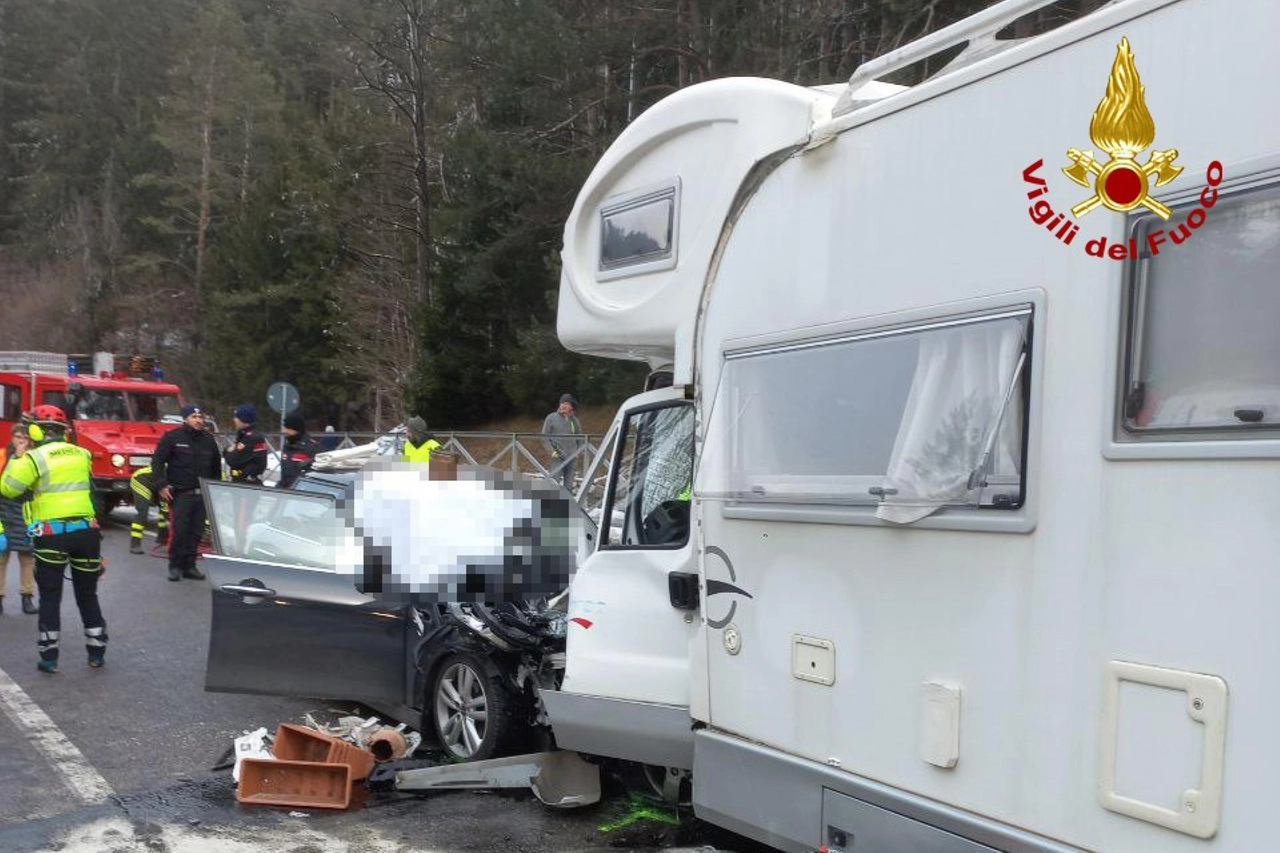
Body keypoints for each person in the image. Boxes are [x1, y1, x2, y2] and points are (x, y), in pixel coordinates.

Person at [0, 406, 106, 672]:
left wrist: (18, 457)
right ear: (64, 431)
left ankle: (49, 659)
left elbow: (8, 489)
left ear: (36, 430)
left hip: (51, 535)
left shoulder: (34, 457)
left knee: (50, 597)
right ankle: (97, 653)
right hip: (87, 533)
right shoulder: (82, 454)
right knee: (88, 595)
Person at [151, 404, 221, 582]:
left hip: (202, 493)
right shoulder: (173, 437)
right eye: (193, 417)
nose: (198, 420)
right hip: (181, 492)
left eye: (200, 417)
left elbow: (216, 468)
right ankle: (175, 566)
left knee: (196, 532)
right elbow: (157, 461)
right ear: (185, 419)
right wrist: (162, 485)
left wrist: (215, 490)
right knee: (180, 530)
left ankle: (190, 566)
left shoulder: (208, 440)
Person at [0, 424, 38, 614]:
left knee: (27, 559)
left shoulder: (34, 458)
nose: (21, 439)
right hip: (2, 513)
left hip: (26, 513)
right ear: (12, 437)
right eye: (18, 435)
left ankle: (27, 598)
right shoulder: (2, 455)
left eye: (25, 436)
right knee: (0, 558)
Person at [541, 393, 584, 492]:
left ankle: (566, 505)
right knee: (554, 484)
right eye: (562, 403)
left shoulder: (574, 420)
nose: (564, 405)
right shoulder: (551, 418)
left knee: (568, 486)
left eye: (567, 404)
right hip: (557, 455)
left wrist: (578, 452)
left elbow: (580, 438)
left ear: (571, 407)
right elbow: (544, 437)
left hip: (572, 457)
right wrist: (552, 451)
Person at [128, 465, 169, 555]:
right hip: (141, 480)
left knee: (164, 509)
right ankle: (135, 544)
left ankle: (162, 537)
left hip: (157, 483)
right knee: (143, 512)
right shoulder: (175, 470)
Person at [223, 403, 268, 484]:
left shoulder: (251, 437)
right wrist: (228, 450)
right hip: (241, 482)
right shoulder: (244, 434)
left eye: (236, 417)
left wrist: (228, 451)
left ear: (244, 419)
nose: (234, 420)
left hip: (246, 485)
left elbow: (232, 460)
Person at [277, 413, 320, 489]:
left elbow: (317, 477)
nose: (284, 431)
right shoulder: (287, 446)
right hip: (285, 494)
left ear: (297, 429)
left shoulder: (312, 447)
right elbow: (285, 477)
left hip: (302, 495)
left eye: (287, 428)